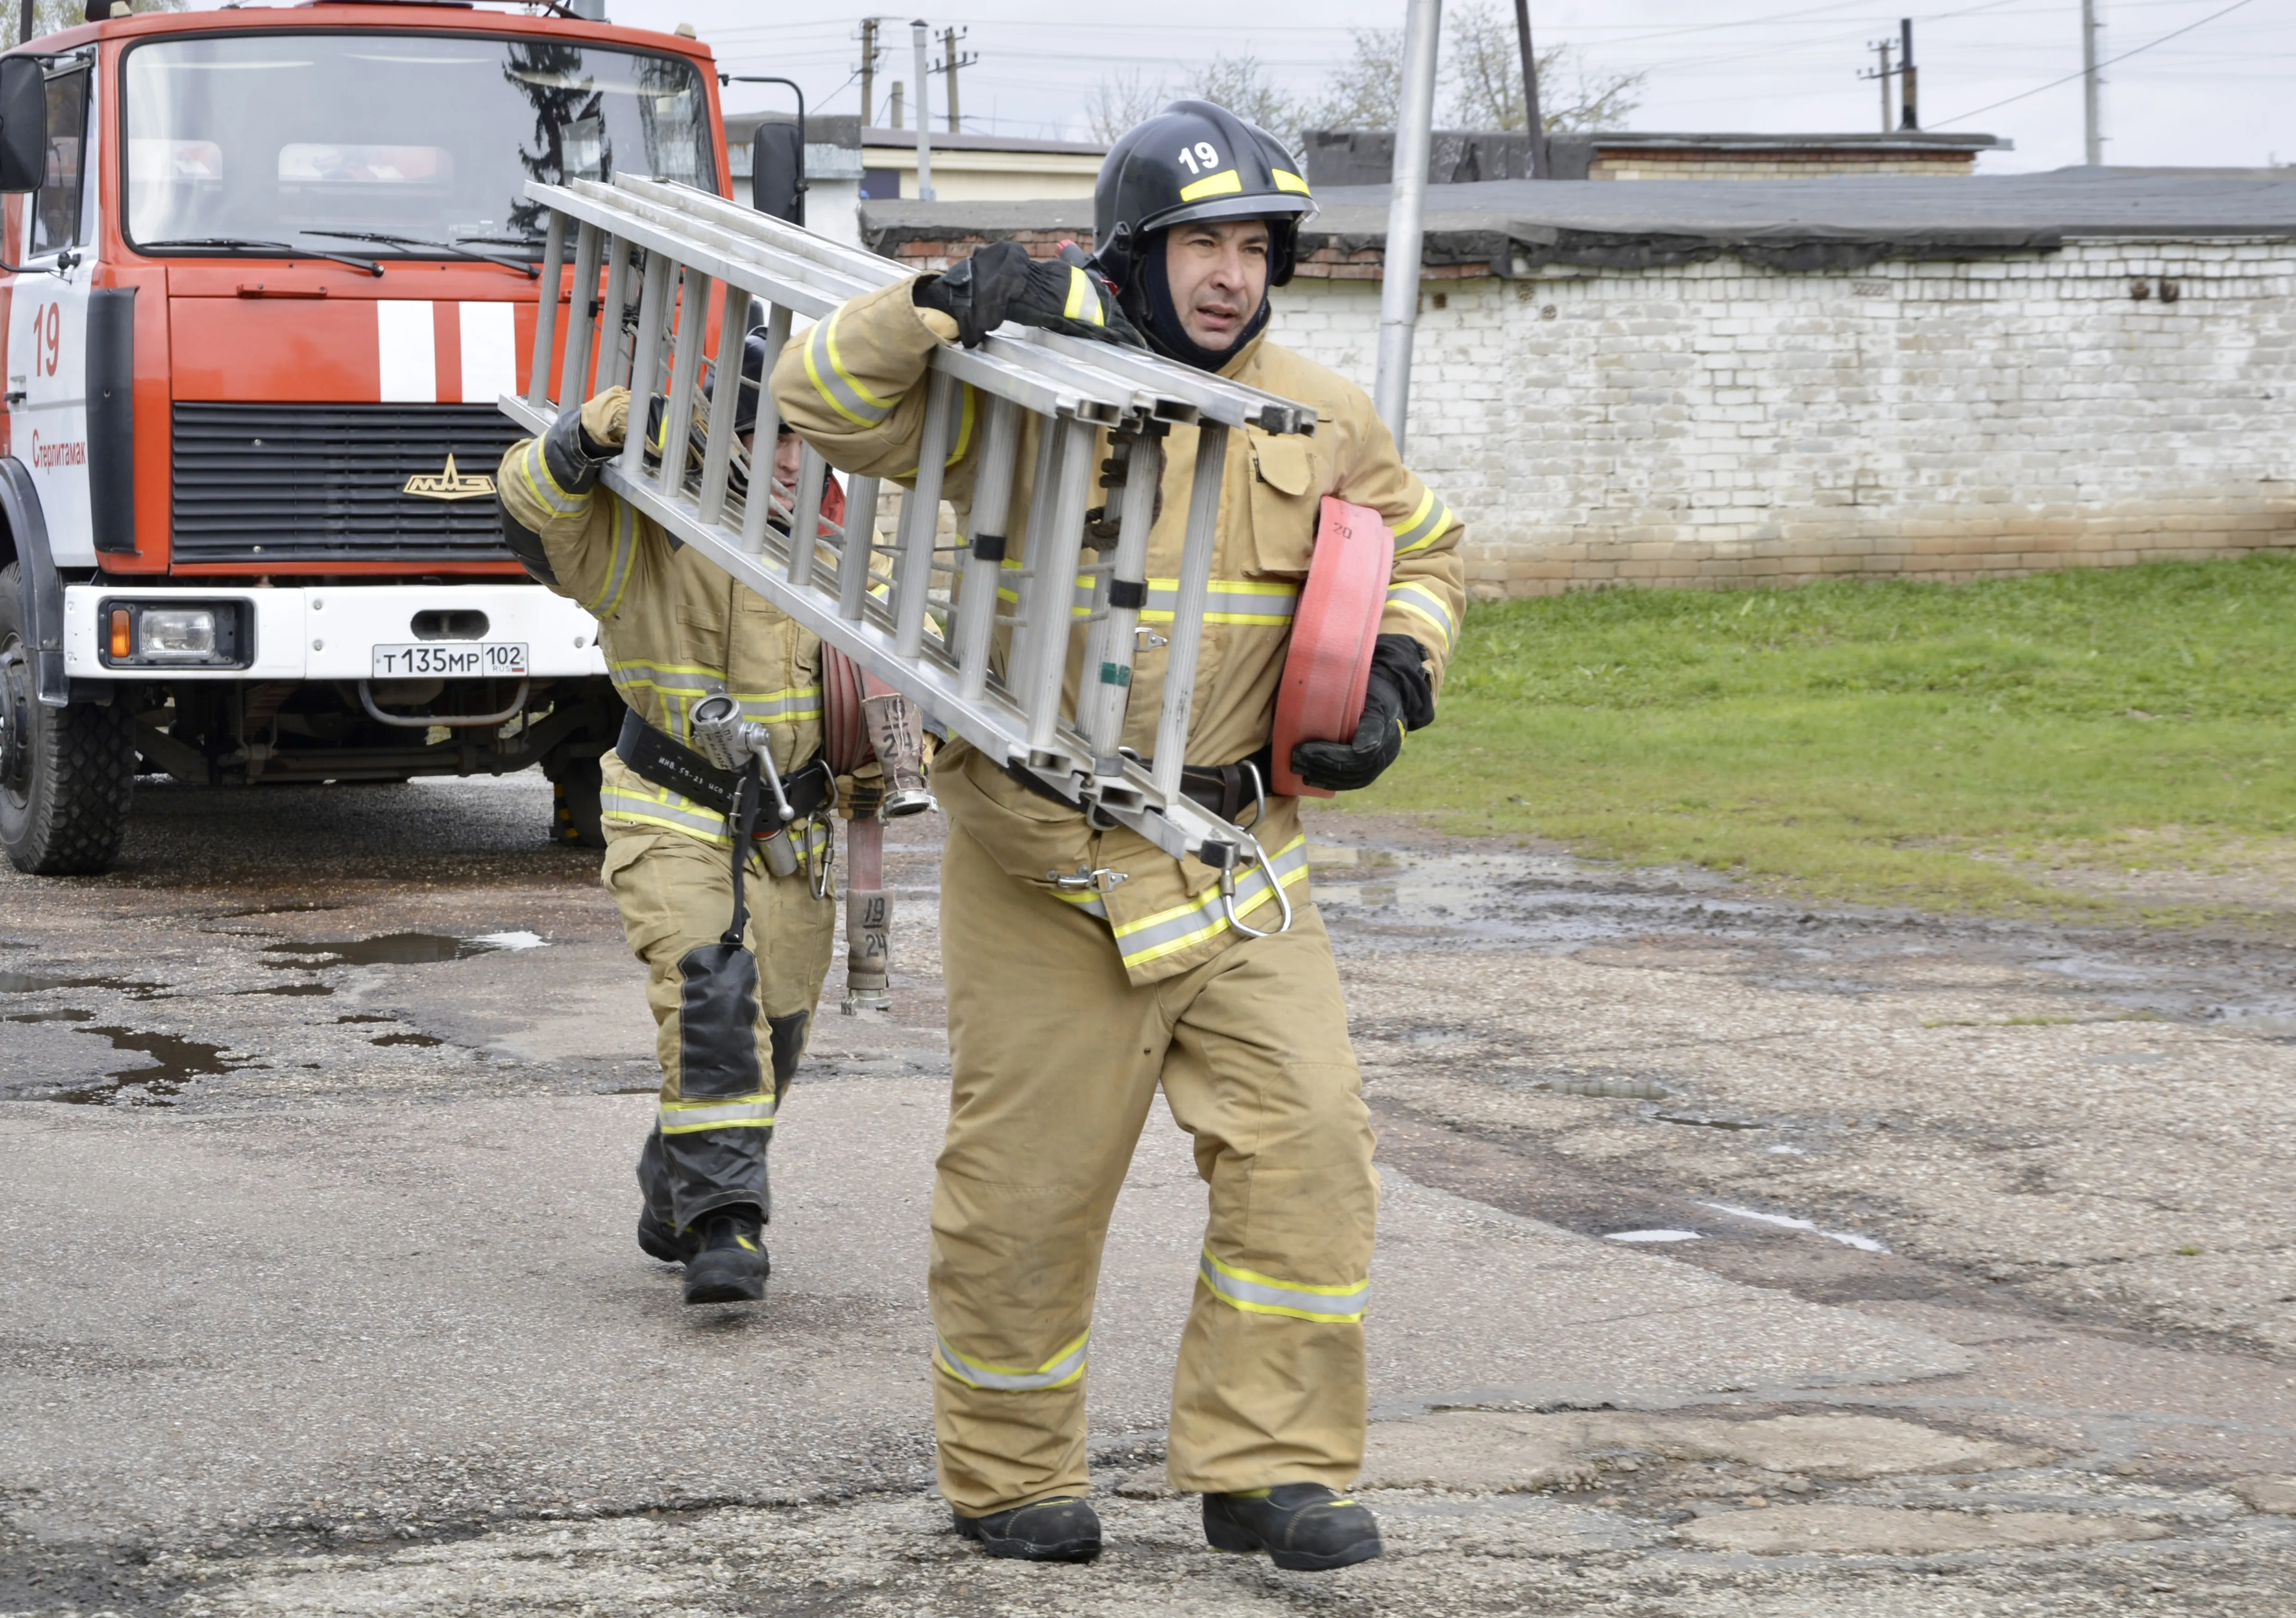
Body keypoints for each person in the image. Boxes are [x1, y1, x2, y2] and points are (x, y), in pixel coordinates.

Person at [773, 100, 1466, 1570]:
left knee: (1308, 1154)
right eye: (1203, 245)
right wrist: (936, 304)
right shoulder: (1012, 380)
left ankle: (1271, 1469)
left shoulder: (1324, 413)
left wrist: (1398, 667)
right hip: (1050, 863)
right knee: (1026, 1195)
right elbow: (819, 399)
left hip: (1239, 858)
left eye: (1257, 249)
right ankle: (1010, 1476)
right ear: (1132, 253)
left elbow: (1421, 549)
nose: (1232, 276)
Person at [497, 333, 840, 1306]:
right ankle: (728, 1227)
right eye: (768, 436)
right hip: (673, 812)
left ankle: (676, 1186)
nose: (792, 459)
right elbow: (530, 511)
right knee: (714, 1001)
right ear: (719, 439)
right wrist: (581, 439)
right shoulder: (647, 531)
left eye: (805, 438)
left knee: (774, 1037)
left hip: (796, 833)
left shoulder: (848, 549)